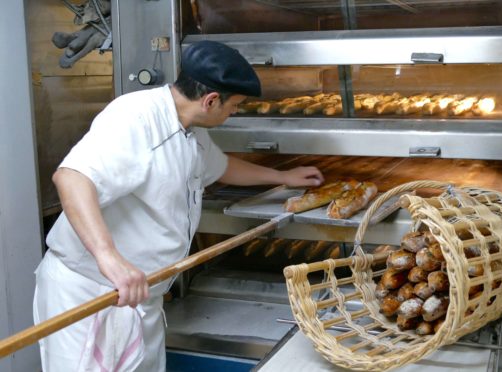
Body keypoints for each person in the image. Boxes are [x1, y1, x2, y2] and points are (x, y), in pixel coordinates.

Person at [33, 40, 324, 371]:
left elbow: (221, 167)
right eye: (235, 106)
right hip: (90, 295)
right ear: (211, 100)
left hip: (139, 297)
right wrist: (109, 258)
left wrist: (283, 175)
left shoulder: (190, 129)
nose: (235, 112)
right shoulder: (135, 118)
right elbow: (71, 178)